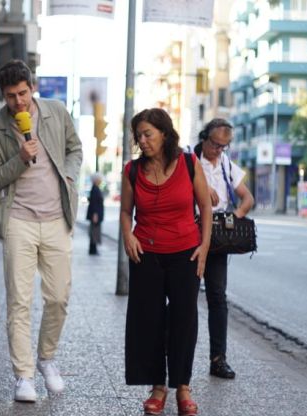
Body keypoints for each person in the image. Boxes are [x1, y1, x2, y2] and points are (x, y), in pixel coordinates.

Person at [0, 59, 83, 402]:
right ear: (3, 96)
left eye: (22, 93)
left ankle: (46, 358)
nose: (18, 102)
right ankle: (23, 375)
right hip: (19, 221)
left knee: (58, 297)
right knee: (19, 302)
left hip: (56, 219)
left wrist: (68, 175)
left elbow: (74, 148)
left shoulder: (55, 112)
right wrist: (20, 158)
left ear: (32, 87)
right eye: (11, 97)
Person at [121, 108, 212, 416]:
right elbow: (125, 211)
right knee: (150, 320)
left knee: (184, 320)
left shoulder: (188, 163)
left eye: (148, 134)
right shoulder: (132, 170)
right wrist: (127, 236)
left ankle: (183, 386)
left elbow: (205, 207)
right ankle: (158, 386)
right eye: (139, 136)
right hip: (145, 253)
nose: (142, 141)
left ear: (164, 133)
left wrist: (205, 247)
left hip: (186, 253)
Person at [193, 118, 254, 379]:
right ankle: (174, 357)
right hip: (191, 233)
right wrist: (202, 188)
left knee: (217, 298)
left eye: (224, 146)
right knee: (184, 299)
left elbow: (248, 197)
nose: (218, 150)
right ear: (204, 138)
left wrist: (236, 215)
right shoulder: (188, 159)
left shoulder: (227, 165)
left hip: (217, 239)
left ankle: (218, 359)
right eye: (215, 144)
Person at [86, 172, 104, 255]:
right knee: (94, 232)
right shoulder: (95, 189)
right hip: (95, 215)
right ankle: (93, 250)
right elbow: (94, 203)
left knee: (94, 232)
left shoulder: (95, 188)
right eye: (99, 179)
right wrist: (95, 214)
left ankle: (93, 249)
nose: (101, 180)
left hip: (96, 214)